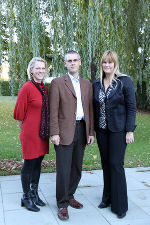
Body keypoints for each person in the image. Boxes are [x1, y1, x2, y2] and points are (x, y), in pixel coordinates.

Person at [49, 50, 94, 220]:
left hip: (82, 129)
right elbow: (53, 111)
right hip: (63, 132)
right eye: (69, 61)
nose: (73, 63)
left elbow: (90, 109)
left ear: (80, 62)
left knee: (76, 167)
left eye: (75, 60)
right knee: (63, 169)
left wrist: (90, 132)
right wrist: (54, 133)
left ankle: (70, 195)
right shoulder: (57, 82)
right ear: (65, 63)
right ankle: (62, 204)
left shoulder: (87, 84)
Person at [93, 50, 136, 219]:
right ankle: (107, 198)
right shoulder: (96, 83)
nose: (107, 65)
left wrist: (130, 130)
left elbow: (132, 107)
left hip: (119, 130)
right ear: (101, 64)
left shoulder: (124, 81)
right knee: (105, 164)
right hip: (102, 130)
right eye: (104, 62)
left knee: (116, 164)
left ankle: (120, 205)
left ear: (115, 64)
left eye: (110, 62)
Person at [14, 57, 49, 212]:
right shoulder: (26, 88)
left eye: (43, 68)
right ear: (31, 70)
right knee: (29, 164)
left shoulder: (44, 88)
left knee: (37, 163)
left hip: (42, 133)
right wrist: (27, 131)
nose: (41, 71)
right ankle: (26, 197)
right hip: (30, 133)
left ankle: (34, 193)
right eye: (37, 68)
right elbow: (19, 115)